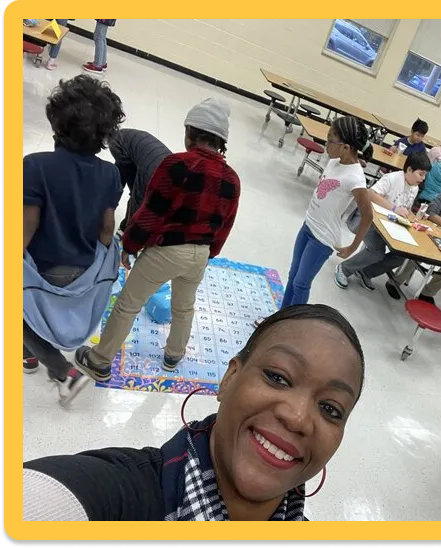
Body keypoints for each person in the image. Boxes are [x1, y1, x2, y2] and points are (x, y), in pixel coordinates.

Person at [24, 304, 365, 521]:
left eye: (330, 409)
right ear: (229, 378)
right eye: (278, 377)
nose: (298, 418)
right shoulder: (116, 495)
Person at [74, 98, 240, 380]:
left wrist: (129, 244)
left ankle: (99, 361)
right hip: (200, 254)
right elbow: (225, 224)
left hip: (166, 252)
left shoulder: (176, 164)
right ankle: (174, 355)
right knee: (184, 307)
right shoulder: (232, 179)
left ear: (190, 132)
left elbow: (151, 211)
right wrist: (206, 253)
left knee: (128, 305)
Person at [23, 75, 125, 402]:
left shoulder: (35, 166)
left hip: (43, 267)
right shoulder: (111, 173)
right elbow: (107, 229)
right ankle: (28, 355)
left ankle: (63, 371)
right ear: (105, 134)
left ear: (57, 121)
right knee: (29, 312)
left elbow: (26, 227)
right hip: (82, 269)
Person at [281, 116, 373, 308]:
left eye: (330, 140)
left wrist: (352, 247)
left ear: (346, 147)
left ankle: (293, 322)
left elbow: (367, 215)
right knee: (293, 275)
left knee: (301, 283)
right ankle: (281, 317)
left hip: (322, 238)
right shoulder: (334, 162)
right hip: (307, 226)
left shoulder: (355, 178)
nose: (326, 144)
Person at [334, 152, 431, 290]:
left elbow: (405, 208)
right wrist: (394, 208)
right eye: (421, 174)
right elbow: (371, 194)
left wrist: (414, 216)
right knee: (376, 252)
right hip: (369, 220)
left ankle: (365, 272)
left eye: (425, 175)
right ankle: (344, 268)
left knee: (401, 256)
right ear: (409, 169)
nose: (423, 178)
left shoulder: (414, 187)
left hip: (389, 226)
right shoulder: (392, 178)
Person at [381, 187, 441, 303]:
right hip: (424, 238)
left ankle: (428, 293)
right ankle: (394, 282)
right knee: (417, 255)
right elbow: (430, 214)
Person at [107, 128, 174, 234]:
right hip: (172, 165)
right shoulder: (127, 134)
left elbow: (129, 179)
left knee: (139, 201)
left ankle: (128, 234)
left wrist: (111, 201)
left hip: (151, 168)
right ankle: (127, 229)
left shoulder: (114, 142)